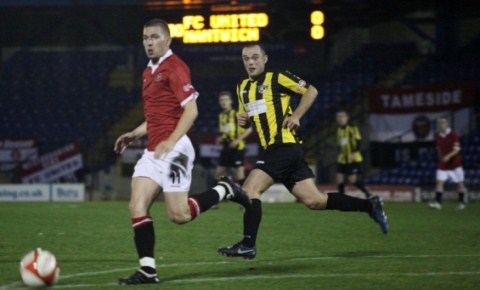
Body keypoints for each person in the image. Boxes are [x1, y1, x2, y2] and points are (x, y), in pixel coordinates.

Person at [217, 43, 388, 260]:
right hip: (279, 150)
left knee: (250, 189)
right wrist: (242, 121)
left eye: (255, 57)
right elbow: (247, 119)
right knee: (315, 201)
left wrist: (296, 115)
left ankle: (248, 244)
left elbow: (311, 91)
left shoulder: (277, 77)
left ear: (265, 59)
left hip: (284, 145)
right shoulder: (242, 88)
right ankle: (370, 205)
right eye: (246, 58)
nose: (250, 62)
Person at [114, 19, 250, 285]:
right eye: (145, 37)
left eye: (154, 37)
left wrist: (171, 140)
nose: (149, 42)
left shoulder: (175, 67)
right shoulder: (147, 71)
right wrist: (134, 134)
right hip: (154, 151)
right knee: (136, 205)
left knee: (179, 215)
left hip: (176, 149)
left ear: (168, 40)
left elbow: (192, 110)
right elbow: (156, 115)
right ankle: (148, 270)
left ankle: (226, 190)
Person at [428, 117, 467, 210]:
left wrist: (448, 156)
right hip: (443, 164)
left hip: (455, 164)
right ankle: (438, 203)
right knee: (439, 182)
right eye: (440, 123)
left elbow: (457, 149)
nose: (442, 124)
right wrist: (441, 157)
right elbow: (438, 148)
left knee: (460, 183)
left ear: (447, 123)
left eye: (443, 122)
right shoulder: (437, 135)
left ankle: (461, 203)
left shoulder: (453, 134)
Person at [215, 91, 253, 184]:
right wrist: (220, 138)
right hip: (226, 147)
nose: (224, 102)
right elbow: (224, 131)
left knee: (239, 174)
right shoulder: (221, 116)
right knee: (218, 173)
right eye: (221, 100)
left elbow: (249, 129)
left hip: (237, 147)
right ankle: (217, 195)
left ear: (231, 101)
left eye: (226, 99)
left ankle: (246, 196)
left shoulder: (236, 114)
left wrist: (237, 140)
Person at [335, 110, 372, 198]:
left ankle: (368, 193)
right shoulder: (339, 130)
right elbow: (340, 143)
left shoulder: (352, 127)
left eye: (342, 116)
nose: (340, 118)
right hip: (342, 158)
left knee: (352, 180)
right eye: (338, 116)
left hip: (353, 157)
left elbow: (358, 140)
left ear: (347, 117)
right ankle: (341, 197)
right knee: (339, 177)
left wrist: (354, 152)